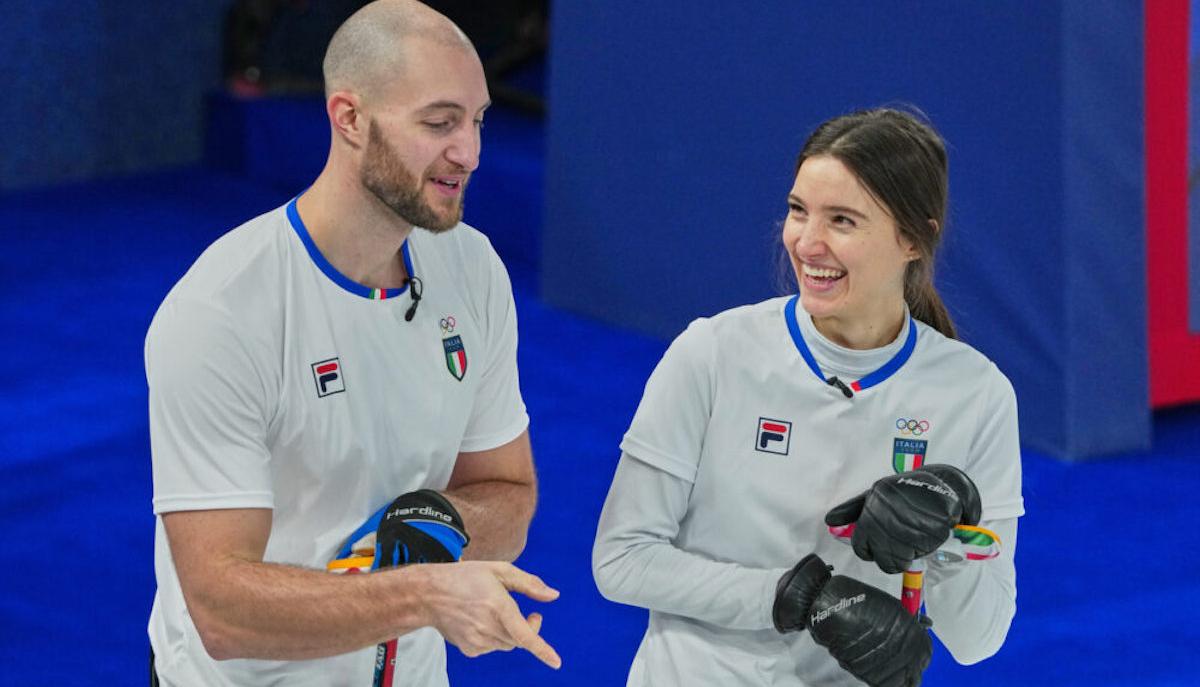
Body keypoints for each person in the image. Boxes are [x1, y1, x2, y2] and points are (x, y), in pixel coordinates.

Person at [145, 2, 560, 685]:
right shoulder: (219, 313)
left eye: (478, 119)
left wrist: (438, 522)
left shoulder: (474, 267)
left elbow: (509, 493)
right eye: (439, 122)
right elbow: (221, 612)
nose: (471, 152)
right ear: (349, 118)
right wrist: (423, 589)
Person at [592, 108, 1023, 686]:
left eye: (842, 220)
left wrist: (943, 546)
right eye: (798, 211)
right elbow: (622, 559)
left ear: (914, 238)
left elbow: (982, 639)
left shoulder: (977, 394)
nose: (807, 242)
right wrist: (801, 596)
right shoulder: (713, 353)